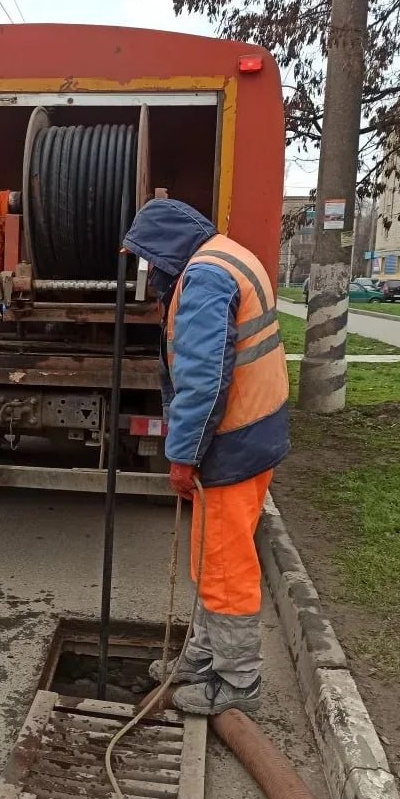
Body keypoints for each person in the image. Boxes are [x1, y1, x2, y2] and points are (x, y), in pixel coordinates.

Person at [123, 198, 290, 715]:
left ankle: (238, 682)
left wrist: (183, 456)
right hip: (251, 433)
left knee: (224, 563)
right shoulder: (226, 256)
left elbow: (204, 378)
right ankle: (202, 657)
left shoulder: (205, 279)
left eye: (149, 260)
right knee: (209, 553)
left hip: (232, 441)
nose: (149, 272)